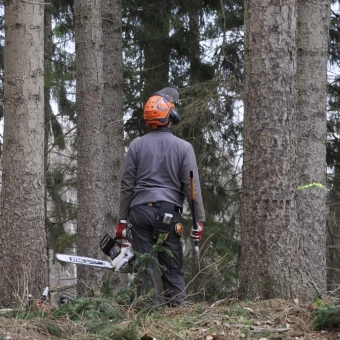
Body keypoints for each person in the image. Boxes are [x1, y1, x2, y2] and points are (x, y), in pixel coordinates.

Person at [116, 87, 205, 307]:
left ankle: (147, 317)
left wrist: (122, 221)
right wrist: (199, 221)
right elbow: (192, 188)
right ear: (171, 116)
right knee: (173, 269)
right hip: (168, 214)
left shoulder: (136, 145)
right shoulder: (184, 148)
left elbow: (127, 185)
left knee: (144, 269)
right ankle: (179, 314)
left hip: (140, 213)